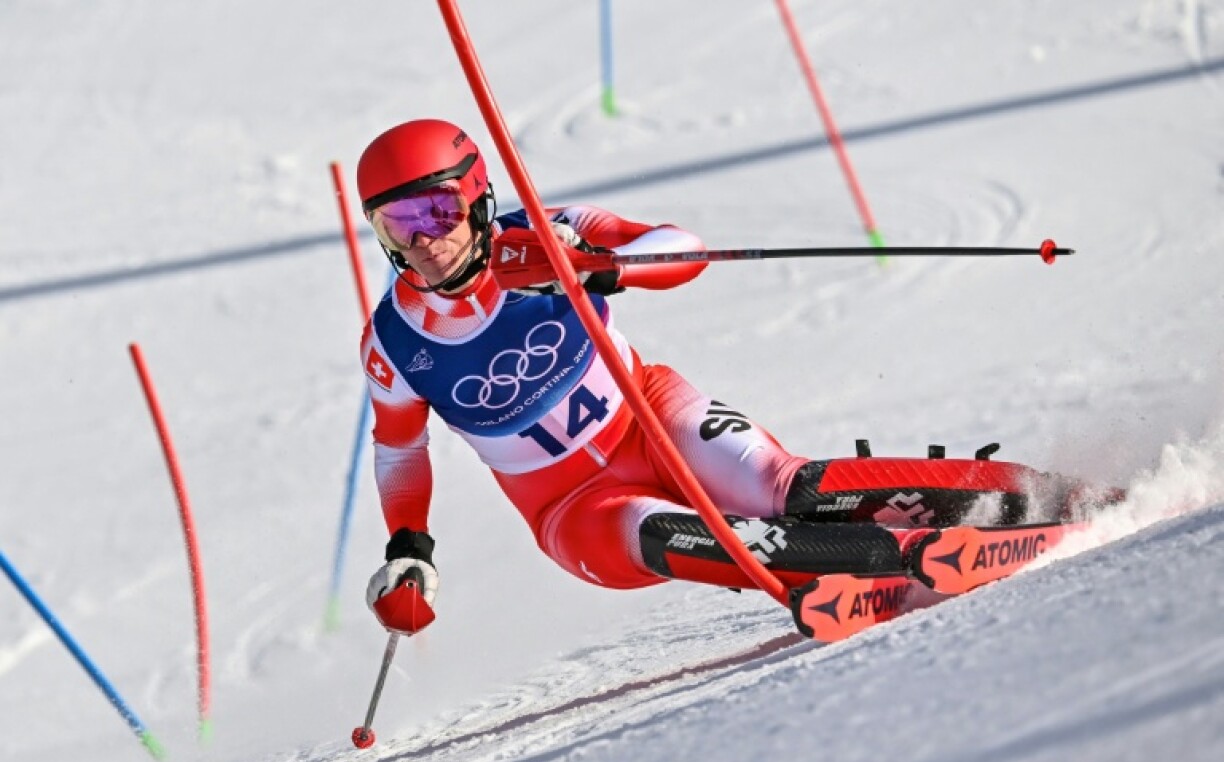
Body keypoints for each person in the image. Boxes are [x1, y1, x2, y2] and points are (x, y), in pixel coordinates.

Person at [356, 119, 1060, 634]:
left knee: (781, 487)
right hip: (573, 508)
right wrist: (408, 549)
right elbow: (399, 450)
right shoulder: (393, 341)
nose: (424, 240)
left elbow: (683, 248)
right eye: (398, 224)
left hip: (650, 415)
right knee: (676, 530)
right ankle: (906, 564)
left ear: (476, 197)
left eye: (438, 210)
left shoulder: (549, 232)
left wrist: (602, 263)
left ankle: (1033, 495)